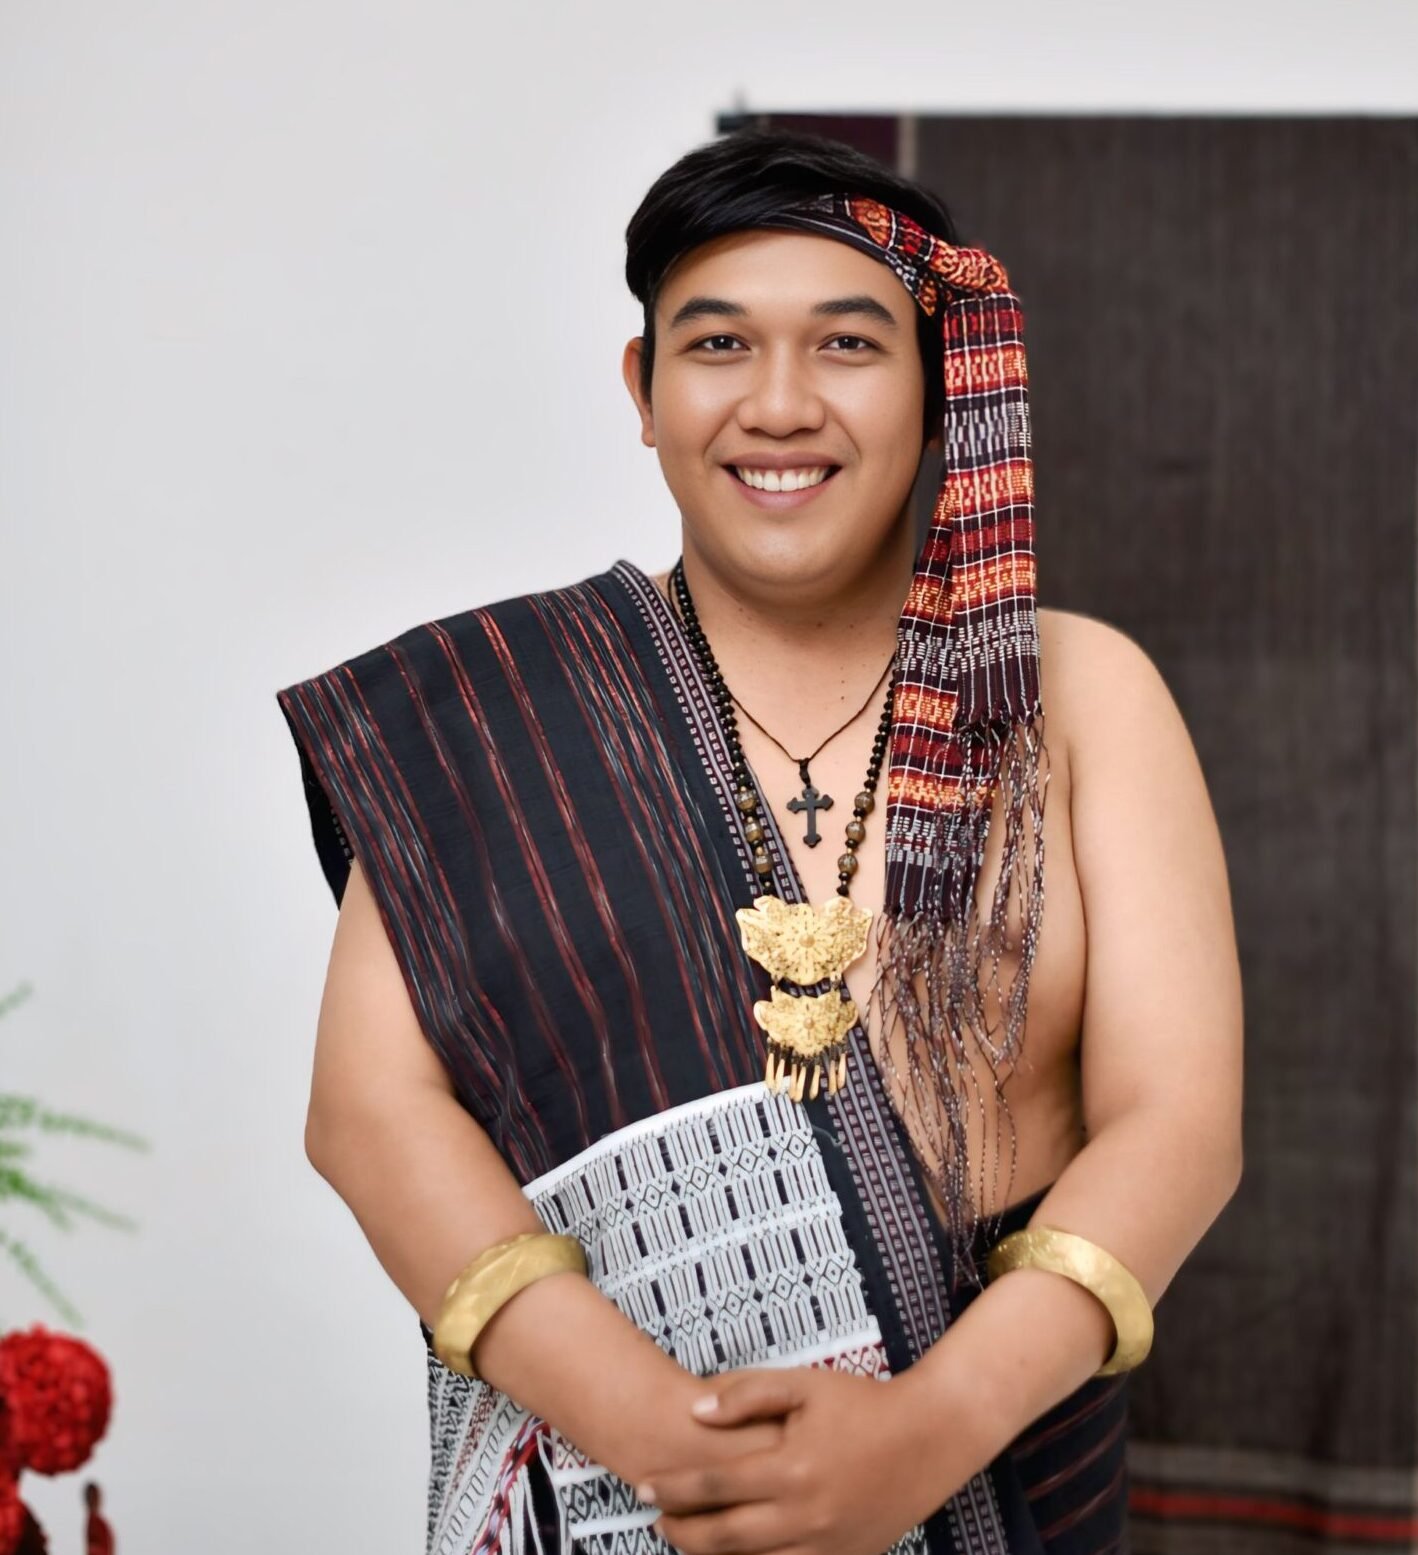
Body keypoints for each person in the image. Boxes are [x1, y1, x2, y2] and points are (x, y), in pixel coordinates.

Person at [279, 126, 1243, 1555]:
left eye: (847, 346)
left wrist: (922, 1439)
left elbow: (1179, 1123)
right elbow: (370, 1115)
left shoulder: (1081, 697)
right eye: (718, 345)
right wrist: (677, 1445)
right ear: (644, 390)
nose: (779, 406)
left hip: (998, 1479)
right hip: (619, 1492)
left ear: (939, 385)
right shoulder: (496, 716)